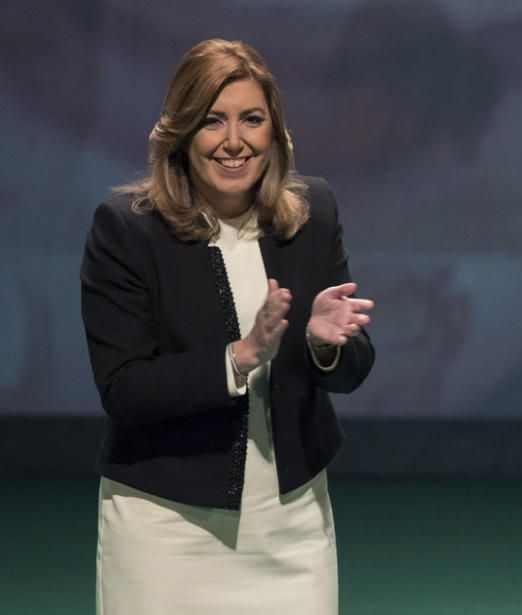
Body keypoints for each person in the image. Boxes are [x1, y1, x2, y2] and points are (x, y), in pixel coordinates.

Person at [80, 39, 374, 614]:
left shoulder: (312, 212)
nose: (234, 141)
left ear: (275, 130)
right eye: (212, 121)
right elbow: (123, 389)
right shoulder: (127, 231)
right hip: (165, 529)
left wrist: (323, 347)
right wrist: (238, 357)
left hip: (292, 530)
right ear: (182, 132)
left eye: (252, 120)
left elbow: (352, 363)